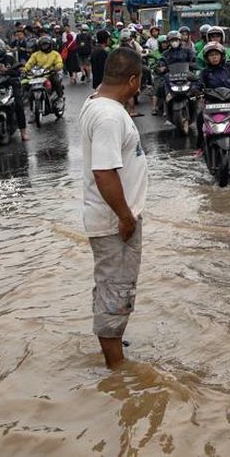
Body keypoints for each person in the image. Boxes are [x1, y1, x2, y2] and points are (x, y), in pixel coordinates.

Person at [80, 47, 149, 369]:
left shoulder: (98, 102)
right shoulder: (108, 115)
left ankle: (113, 347)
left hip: (113, 217)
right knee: (116, 291)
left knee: (111, 286)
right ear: (133, 80)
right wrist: (125, 217)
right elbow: (104, 172)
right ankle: (117, 370)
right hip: (113, 222)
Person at [0, 38, 29, 141]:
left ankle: (23, 132)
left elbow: (17, 73)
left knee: (18, 104)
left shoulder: (10, 59)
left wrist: (6, 70)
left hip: (10, 85)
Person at [23, 35, 64, 99]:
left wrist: (55, 68)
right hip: (38, 73)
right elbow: (30, 63)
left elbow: (59, 63)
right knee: (25, 83)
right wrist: (25, 69)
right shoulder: (36, 54)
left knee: (56, 81)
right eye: (43, 45)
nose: (44, 46)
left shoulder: (55, 54)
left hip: (50, 72)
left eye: (46, 45)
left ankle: (60, 97)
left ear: (50, 45)